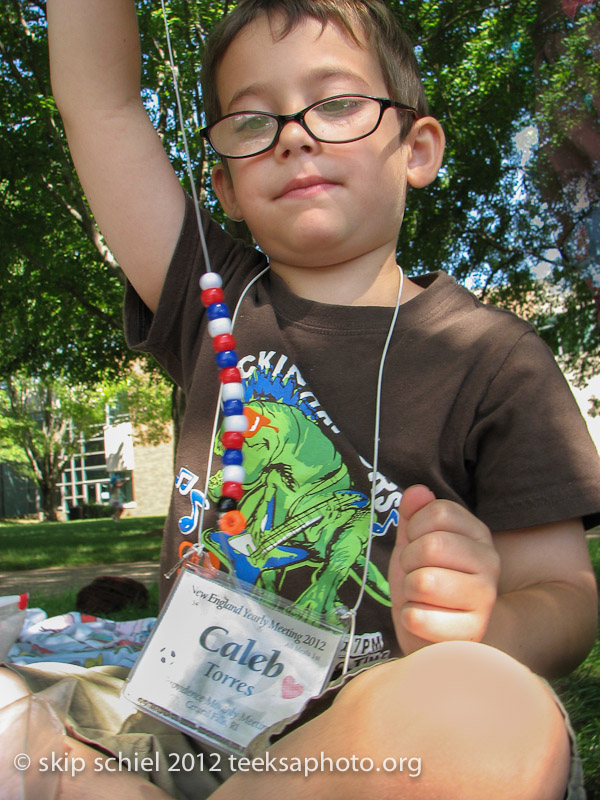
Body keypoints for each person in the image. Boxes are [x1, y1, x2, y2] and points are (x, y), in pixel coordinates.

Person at [2, 1, 599, 798]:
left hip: (373, 755)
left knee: (490, 709)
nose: (294, 134)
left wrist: (482, 627)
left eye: (340, 102)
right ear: (226, 185)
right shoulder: (210, 299)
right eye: (252, 122)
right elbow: (99, 103)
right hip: (179, 750)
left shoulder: (497, 360)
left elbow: (567, 600)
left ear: (417, 148)